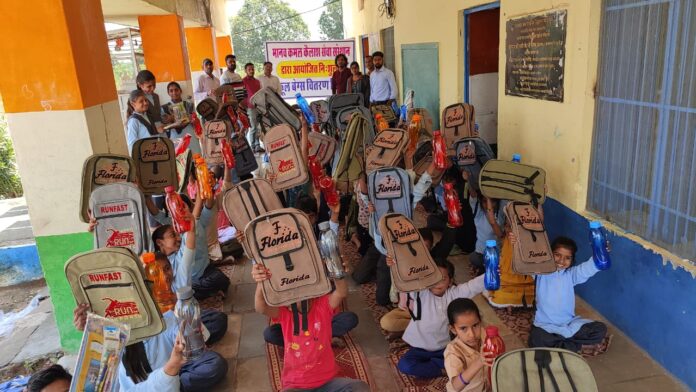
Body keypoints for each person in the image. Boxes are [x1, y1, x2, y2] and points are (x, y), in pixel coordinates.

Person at [252, 248, 369, 391]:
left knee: (359, 387)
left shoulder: (322, 305)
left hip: (327, 381)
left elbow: (341, 292)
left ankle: (328, 337)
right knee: (270, 333)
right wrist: (261, 282)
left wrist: (337, 270)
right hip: (296, 384)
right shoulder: (285, 313)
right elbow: (260, 307)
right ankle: (329, 337)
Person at [394, 258, 486, 379]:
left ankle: (439, 365)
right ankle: (442, 370)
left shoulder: (454, 293)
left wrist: (492, 273)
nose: (437, 283)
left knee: (466, 362)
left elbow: (472, 286)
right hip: (419, 348)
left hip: (444, 348)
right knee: (404, 365)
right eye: (433, 278)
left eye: (442, 278)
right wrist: (396, 265)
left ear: (450, 281)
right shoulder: (421, 293)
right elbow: (406, 280)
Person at [526, 236, 609, 354]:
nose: (561, 261)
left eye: (567, 258)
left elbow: (588, 268)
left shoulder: (571, 275)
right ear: (549, 254)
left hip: (568, 324)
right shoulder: (540, 273)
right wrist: (516, 243)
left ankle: (561, 345)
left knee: (600, 329)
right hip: (545, 326)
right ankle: (574, 346)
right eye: (557, 255)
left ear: (572, 260)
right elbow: (524, 262)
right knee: (537, 338)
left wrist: (602, 252)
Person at [152, 191, 230, 300]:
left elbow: (206, 208)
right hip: (189, 282)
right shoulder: (172, 227)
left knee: (220, 279)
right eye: (177, 209)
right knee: (186, 289)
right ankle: (203, 293)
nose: (178, 237)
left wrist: (205, 190)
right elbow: (156, 213)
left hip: (205, 272)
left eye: (183, 208)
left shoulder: (196, 223)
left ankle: (200, 293)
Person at [444, 298, 494, 392]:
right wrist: (479, 361)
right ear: (453, 329)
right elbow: (456, 386)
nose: (472, 334)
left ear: (480, 322)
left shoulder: (484, 335)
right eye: (463, 328)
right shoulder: (453, 352)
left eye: (475, 325)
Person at [462, 171, 504, 276]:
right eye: (485, 201)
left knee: (497, 264)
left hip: (496, 254)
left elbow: (499, 233)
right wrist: (467, 180)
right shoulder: (478, 213)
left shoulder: (500, 214)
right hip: (480, 254)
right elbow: (473, 195)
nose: (488, 205)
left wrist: (488, 197)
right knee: (474, 257)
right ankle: (483, 270)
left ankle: (482, 270)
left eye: (491, 201)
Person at [161, 82, 201, 155]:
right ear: (168, 93)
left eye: (176, 90)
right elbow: (164, 124)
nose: (174, 93)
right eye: (171, 91)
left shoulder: (189, 104)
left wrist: (193, 119)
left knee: (196, 158)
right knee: (179, 162)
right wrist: (169, 119)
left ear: (180, 91)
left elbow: (195, 119)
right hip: (175, 137)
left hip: (189, 134)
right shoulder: (164, 108)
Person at [125, 89, 164, 155]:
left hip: (155, 153)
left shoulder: (148, 116)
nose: (145, 103)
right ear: (133, 104)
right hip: (145, 156)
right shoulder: (133, 121)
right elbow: (132, 144)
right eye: (141, 101)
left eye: (146, 100)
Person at [242, 63, 263, 153]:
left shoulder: (257, 81)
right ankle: (253, 146)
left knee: (258, 127)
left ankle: (258, 146)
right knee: (253, 127)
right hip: (250, 108)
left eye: (252, 69)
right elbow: (242, 95)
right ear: (246, 71)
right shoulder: (243, 81)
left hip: (258, 107)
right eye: (249, 69)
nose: (251, 71)